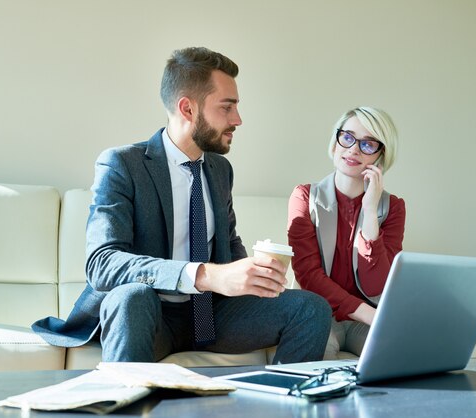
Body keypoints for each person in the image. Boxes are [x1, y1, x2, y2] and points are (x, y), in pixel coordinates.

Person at [33, 47, 331, 363]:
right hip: (148, 314)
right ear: (188, 108)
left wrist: (252, 275)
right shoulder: (122, 165)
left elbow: (227, 243)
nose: (238, 120)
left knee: (311, 308)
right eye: (227, 108)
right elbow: (103, 263)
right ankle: (122, 403)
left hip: (209, 315)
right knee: (132, 297)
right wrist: (205, 275)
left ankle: (282, 404)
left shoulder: (219, 169)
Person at [287, 107, 405, 357]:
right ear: (335, 142)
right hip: (321, 315)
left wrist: (371, 212)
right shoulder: (305, 197)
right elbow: (308, 275)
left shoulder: (393, 207)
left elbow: (377, 285)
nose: (353, 149)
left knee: (402, 355)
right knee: (317, 355)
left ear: (380, 156)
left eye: (368, 144)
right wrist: (368, 314)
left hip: (366, 321)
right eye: (348, 137)